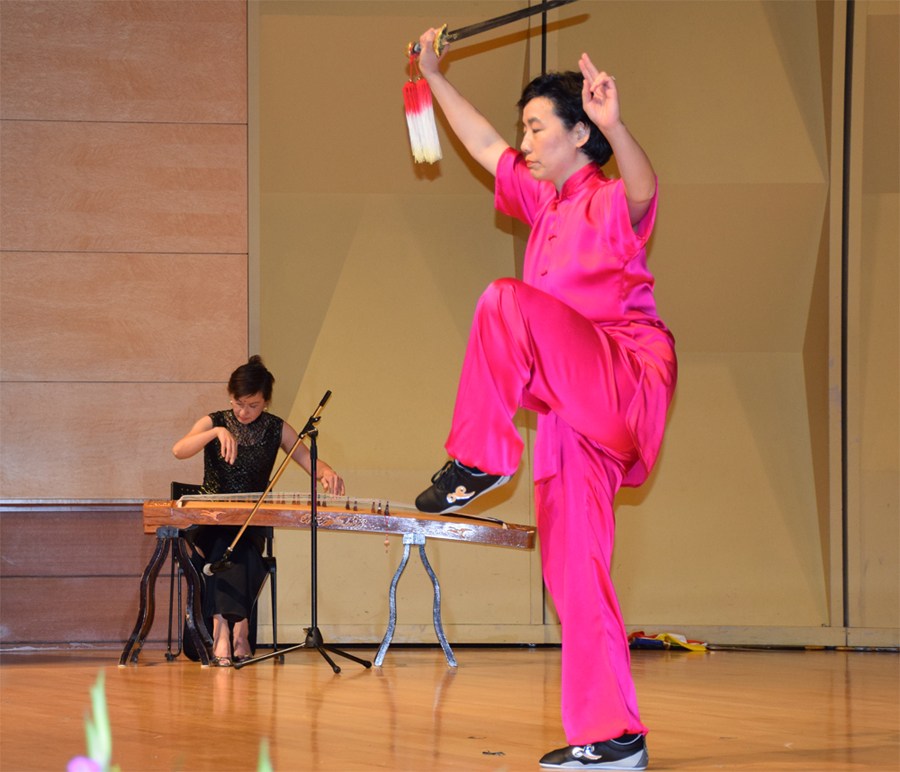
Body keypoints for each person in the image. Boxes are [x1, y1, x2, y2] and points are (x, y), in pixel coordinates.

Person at [412, 28, 677, 771]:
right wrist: (433, 75)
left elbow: (647, 189)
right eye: (525, 126)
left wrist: (617, 124)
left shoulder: (608, 201)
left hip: (622, 376)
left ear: (579, 135)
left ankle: (482, 459)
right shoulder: (544, 202)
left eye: (538, 127)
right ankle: (615, 737)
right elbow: (483, 139)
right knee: (572, 571)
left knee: (505, 300)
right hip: (568, 413)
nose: (524, 140)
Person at [172, 355, 345, 666]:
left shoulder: (276, 428)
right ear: (231, 397)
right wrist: (214, 434)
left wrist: (327, 472)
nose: (243, 412)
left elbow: (308, 461)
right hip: (210, 519)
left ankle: (226, 628)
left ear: (265, 401)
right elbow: (179, 449)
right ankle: (235, 627)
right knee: (229, 545)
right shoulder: (215, 421)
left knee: (240, 547)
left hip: (252, 520)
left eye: (253, 405)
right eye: (239, 403)